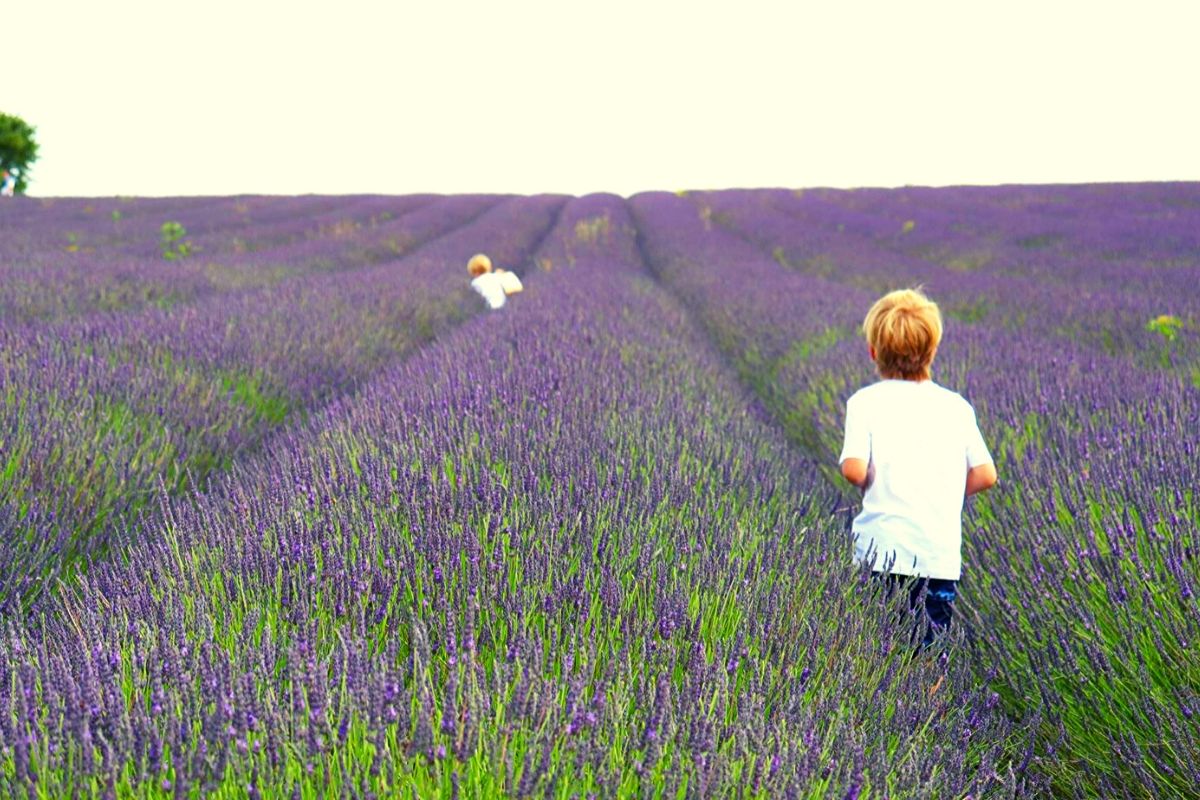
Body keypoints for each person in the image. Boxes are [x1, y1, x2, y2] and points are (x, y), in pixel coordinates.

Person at [838, 288, 997, 647]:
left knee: (874, 651)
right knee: (927, 654)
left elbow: (852, 468)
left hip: (879, 554)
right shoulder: (956, 407)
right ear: (934, 349)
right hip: (935, 557)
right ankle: (929, 701)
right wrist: (946, 489)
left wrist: (872, 479)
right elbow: (986, 475)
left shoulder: (865, 403)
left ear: (873, 352)